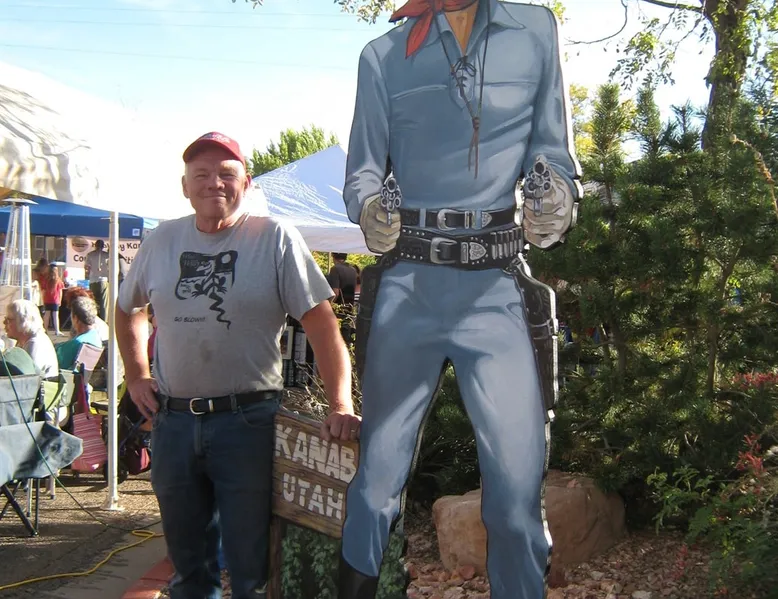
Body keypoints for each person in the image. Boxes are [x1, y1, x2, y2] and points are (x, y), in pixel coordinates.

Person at [337, 1, 582, 598]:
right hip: (408, 284)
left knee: (517, 496)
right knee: (375, 483)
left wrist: (557, 198)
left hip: (496, 284)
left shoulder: (536, 30)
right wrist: (368, 210)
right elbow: (362, 171)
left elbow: (553, 150)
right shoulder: (382, 57)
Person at [115, 131, 361, 599]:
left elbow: (322, 325)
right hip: (173, 422)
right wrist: (137, 374)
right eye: (201, 174)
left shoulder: (275, 239)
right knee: (188, 567)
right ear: (184, 186)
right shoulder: (161, 240)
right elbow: (129, 309)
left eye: (227, 174)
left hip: (247, 423)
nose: (214, 183)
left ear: (246, 184)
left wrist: (340, 403)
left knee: (252, 568)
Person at [4, 299, 59, 379]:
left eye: (8, 320)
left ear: (22, 321)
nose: (4, 322)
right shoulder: (23, 340)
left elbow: (28, 378)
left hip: (41, 386)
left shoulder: (35, 343)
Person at [55, 296, 102, 370]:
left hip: (70, 375)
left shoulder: (77, 342)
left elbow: (58, 363)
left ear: (76, 318)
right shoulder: (95, 336)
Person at [85, 239, 109, 320]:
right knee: (104, 303)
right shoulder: (107, 255)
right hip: (103, 280)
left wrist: (88, 275)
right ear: (103, 246)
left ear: (95, 245)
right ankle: (104, 320)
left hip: (93, 281)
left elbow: (87, 268)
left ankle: (93, 319)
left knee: (93, 302)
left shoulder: (90, 255)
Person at [42, 265, 65, 335]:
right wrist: (60, 300)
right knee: (55, 315)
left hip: (47, 299)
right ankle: (57, 330)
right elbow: (60, 292)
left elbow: (43, 291)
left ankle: (45, 329)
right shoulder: (58, 280)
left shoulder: (45, 280)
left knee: (47, 315)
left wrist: (43, 299)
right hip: (55, 300)